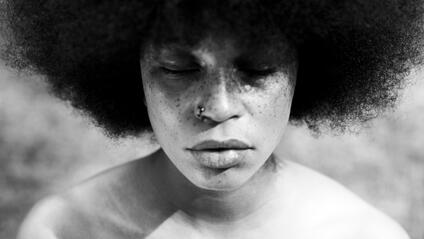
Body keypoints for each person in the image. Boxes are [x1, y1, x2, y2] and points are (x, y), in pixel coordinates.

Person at [2, 0, 423, 238]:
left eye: (257, 71)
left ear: (305, 71)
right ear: (128, 70)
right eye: (179, 70)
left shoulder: (364, 235)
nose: (220, 108)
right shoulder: (63, 232)